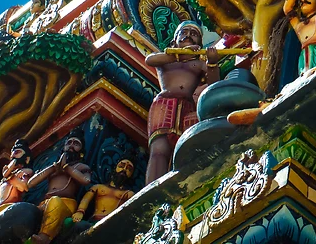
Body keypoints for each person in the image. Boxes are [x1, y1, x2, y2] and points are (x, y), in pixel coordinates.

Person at [144, 22, 222, 184]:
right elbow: (150, 59)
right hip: (164, 104)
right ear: (174, 41)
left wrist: (212, 63)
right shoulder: (167, 59)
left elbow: (214, 85)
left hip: (187, 106)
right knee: (159, 149)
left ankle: (179, 184)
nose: (188, 35)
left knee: (184, 147)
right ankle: (153, 188)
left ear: (199, 44)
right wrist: (180, 55)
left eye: (194, 34)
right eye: (183, 32)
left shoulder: (198, 64)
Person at [27, 134, 92, 244]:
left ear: (81, 151)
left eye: (76, 143)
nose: (71, 146)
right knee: (27, 210)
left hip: (65, 203)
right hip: (45, 202)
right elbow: (30, 183)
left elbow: (86, 180)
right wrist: (53, 167)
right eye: (69, 143)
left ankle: (44, 237)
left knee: (55, 201)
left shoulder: (81, 167)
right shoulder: (54, 168)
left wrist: (67, 168)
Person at [73, 159, 135, 224]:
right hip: (94, 221)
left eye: (129, 169)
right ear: (115, 168)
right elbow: (86, 199)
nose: (124, 169)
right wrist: (80, 211)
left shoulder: (128, 194)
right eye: (121, 166)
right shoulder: (98, 187)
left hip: (112, 224)